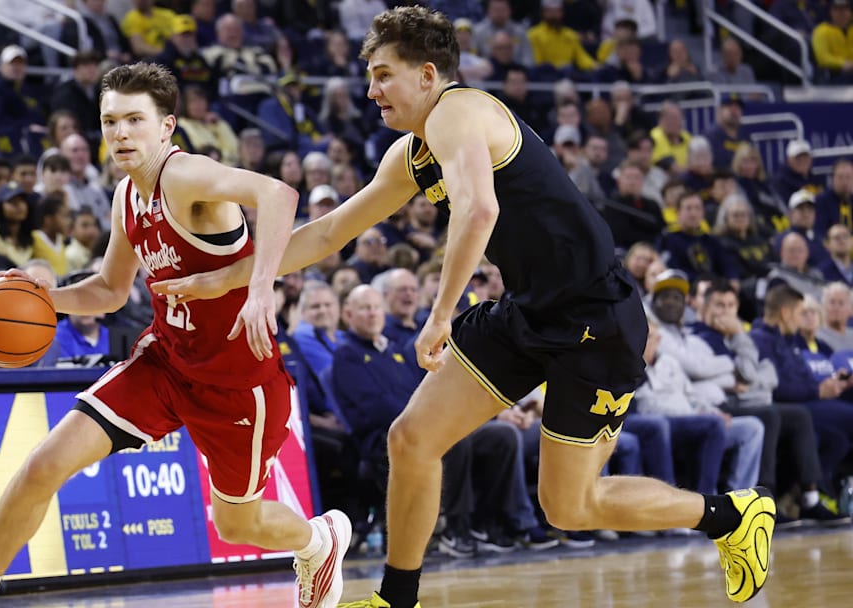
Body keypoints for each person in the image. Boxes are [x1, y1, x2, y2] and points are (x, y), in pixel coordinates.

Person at [156, 7, 775, 606]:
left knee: (570, 506)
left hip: (596, 319)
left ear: (427, 75)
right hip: (528, 312)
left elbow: (481, 210)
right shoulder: (412, 152)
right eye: (369, 76)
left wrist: (439, 313)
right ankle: (397, 601)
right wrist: (235, 278)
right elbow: (329, 232)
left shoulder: (460, 110)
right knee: (412, 438)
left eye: (383, 75)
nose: (371, 90)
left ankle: (731, 515)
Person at [0, 63, 350, 608]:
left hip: (237, 382)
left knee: (237, 523)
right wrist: (43, 297)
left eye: (134, 119)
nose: (121, 132)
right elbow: (109, 290)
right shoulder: (126, 196)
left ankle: (319, 540)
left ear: (166, 126)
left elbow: (277, 193)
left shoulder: (186, 176)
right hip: (165, 364)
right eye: (110, 121)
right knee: (43, 464)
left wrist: (260, 287)